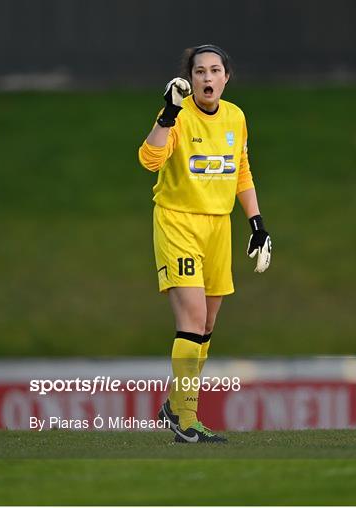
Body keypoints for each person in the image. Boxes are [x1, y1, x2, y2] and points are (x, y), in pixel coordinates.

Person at [138, 44, 271, 443]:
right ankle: (186, 418)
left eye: (215, 70)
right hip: (178, 221)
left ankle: (173, 407)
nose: (208, 78)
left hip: (218, 227)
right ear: (190, 78)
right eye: (200, 72)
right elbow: (149, 159)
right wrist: (167, 113)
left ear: (227, 77)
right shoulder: (177, 114)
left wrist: (257, 223)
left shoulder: (235, 117)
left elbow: (241, 172)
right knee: (192, 318)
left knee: (208, 324)